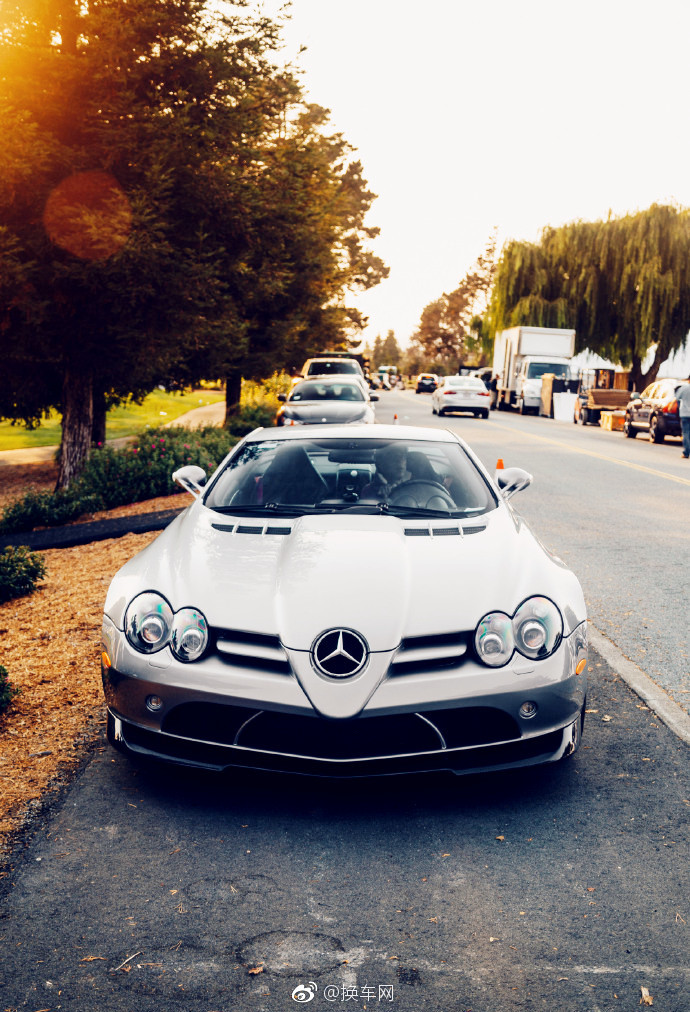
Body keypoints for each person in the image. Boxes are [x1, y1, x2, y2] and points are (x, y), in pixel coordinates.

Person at [676, 375, 690, 459]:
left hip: (685, 413)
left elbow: (677, 398)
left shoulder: (683, 388)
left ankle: (686, 452)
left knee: (686, 433)